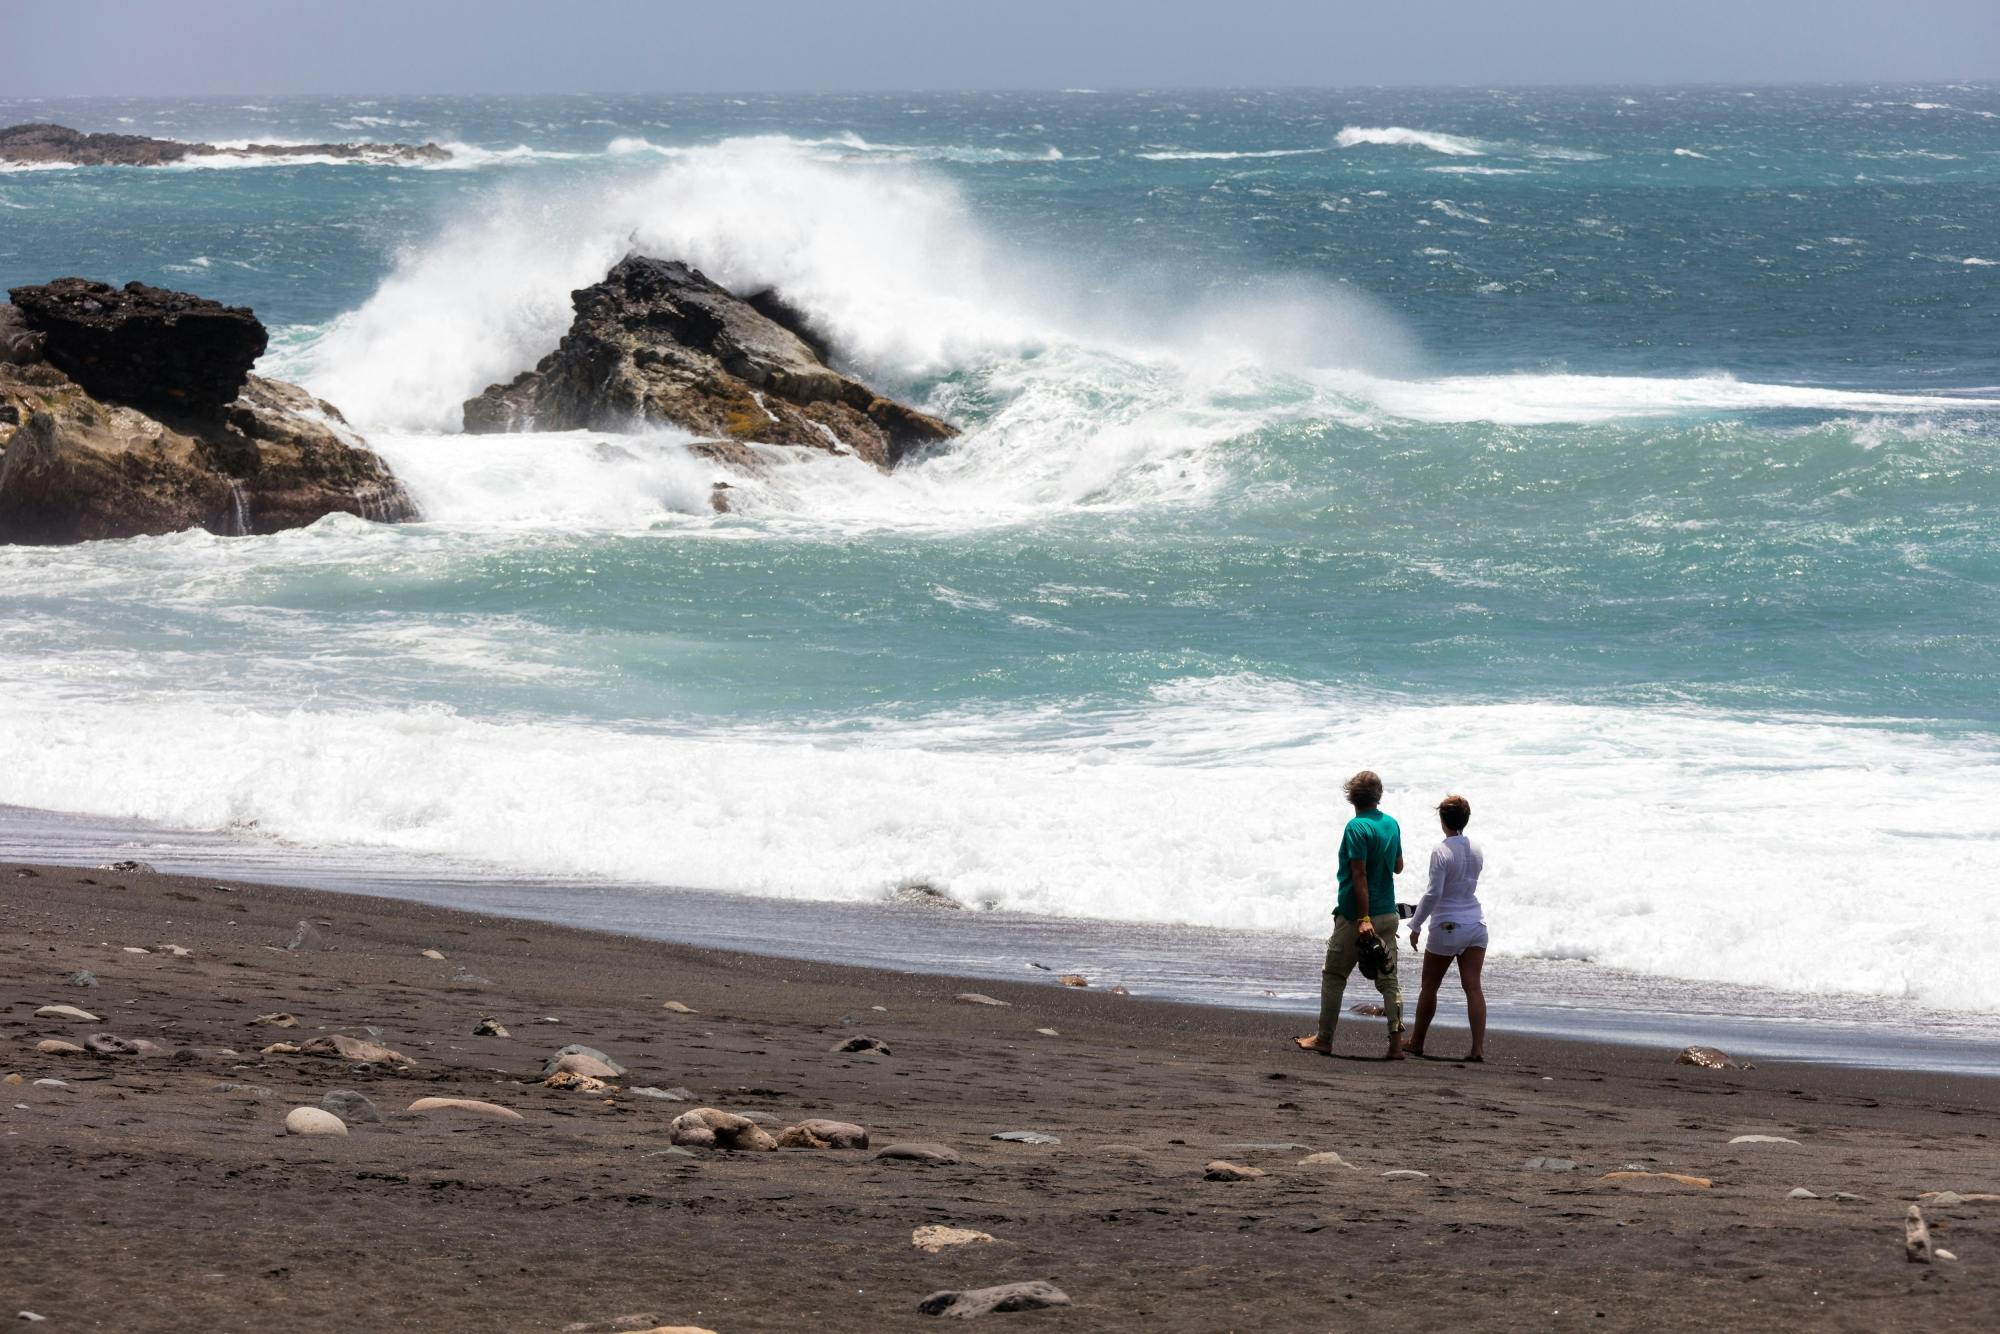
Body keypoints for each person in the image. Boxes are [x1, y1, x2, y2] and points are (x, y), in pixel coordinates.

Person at [1294, 769, 1404, 1060]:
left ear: (1352, 797)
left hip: (1357, 918)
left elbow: (1359, 875)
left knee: (1334, 975)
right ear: (1377, 796)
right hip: (1389, 914)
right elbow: (1398, 866)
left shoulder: (1356, 828)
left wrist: (1363, 919)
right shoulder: (1392, 824)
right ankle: (1396, 1045)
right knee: (1388, 980)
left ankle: (1324, 1039)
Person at [1404, 794, 1487, 1062]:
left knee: (1429, 986)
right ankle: (1477, 1049)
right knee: (1473, 987)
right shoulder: (1476, 848)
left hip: (1447, 926)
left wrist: (1415, 925)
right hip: (1476, 924)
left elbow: (1433, 894)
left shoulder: (1441, 851)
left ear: (1443, 821)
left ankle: (1417, 1042)